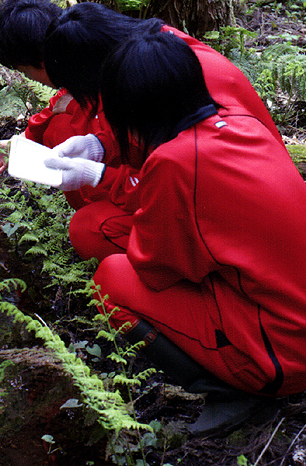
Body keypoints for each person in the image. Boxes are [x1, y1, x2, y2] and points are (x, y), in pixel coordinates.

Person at [74, 30, 306, 435]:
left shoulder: (175, 162)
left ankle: (230, 388)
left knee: (109, 279)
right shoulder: (241, 123)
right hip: (287, 315)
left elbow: (156, 271)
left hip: (282, 357)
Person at [41, 2, 286, 262]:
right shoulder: (159, 53)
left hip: (236, 228)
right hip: (234, 204)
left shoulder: (185, 78)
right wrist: (100, 144)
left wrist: (100, 177)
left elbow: (180, 182)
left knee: (98, 244)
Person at [0, 0, 116, 217]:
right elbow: (55, 108)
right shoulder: (77, 57)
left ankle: (110, 214)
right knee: (58, 125)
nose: (31, 79)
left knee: (87, 231)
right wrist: (16, 145)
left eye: (25, 71)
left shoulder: (125, 74)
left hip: (153, 182)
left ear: (41, 61)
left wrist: (94, 174)